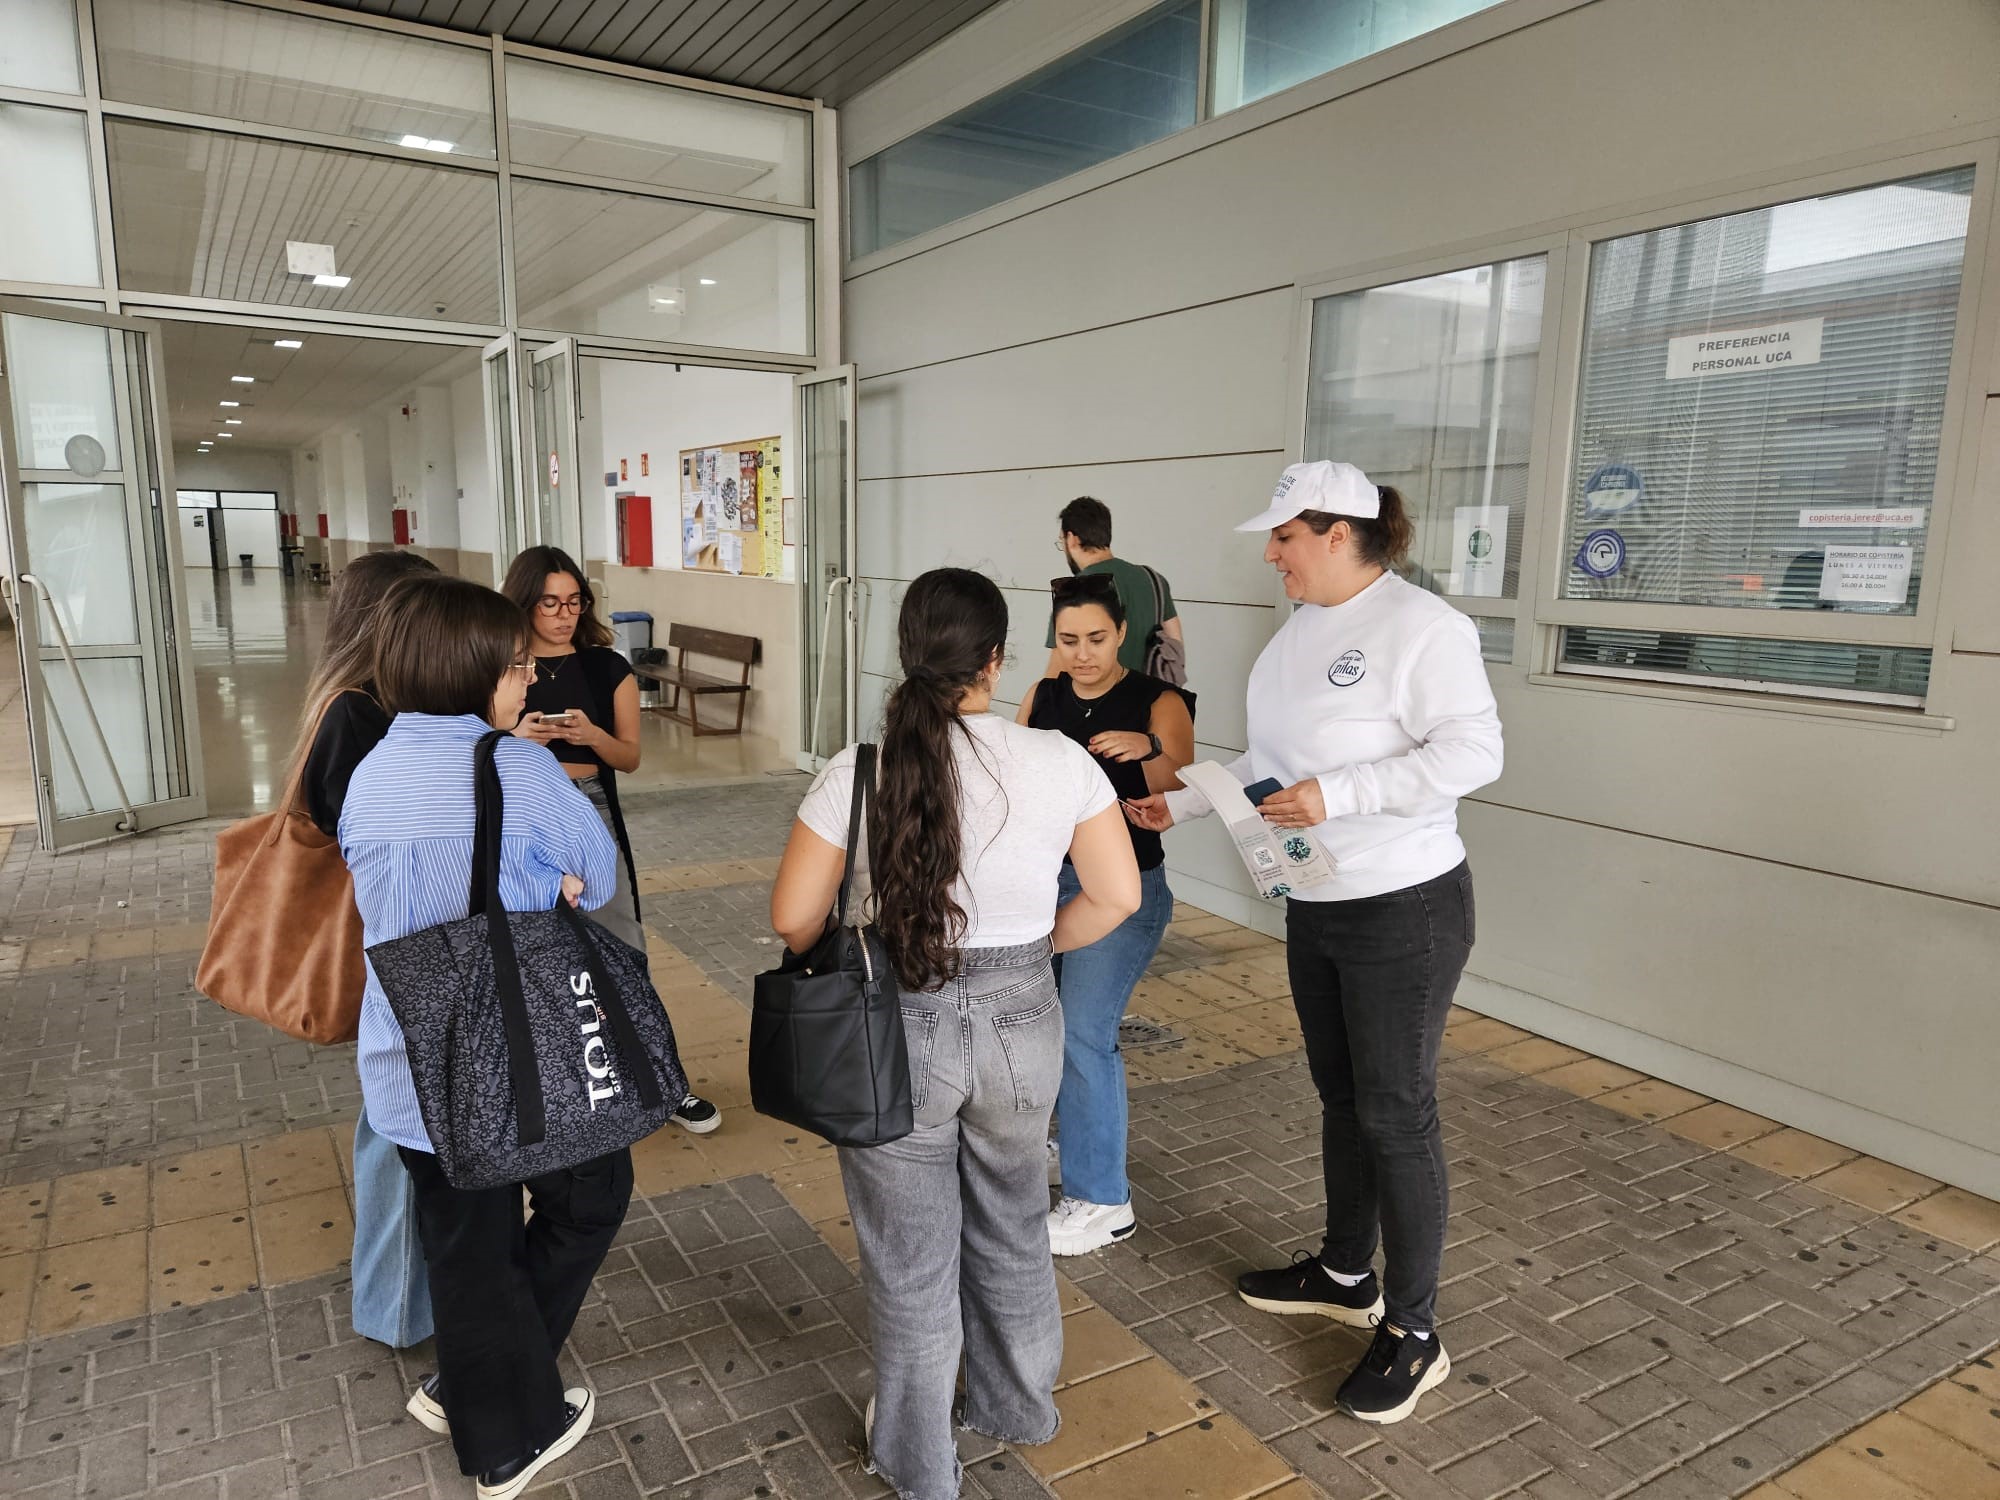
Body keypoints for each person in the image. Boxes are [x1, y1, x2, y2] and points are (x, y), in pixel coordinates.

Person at [1126, 460, 1503, 1426]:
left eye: (1285, 536)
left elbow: (1473, 751)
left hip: (1404, 907)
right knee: (1342, 1096)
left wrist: (1344, 796)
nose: (1271, 553)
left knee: (1397, 1110)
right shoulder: (1296, 633)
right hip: (1318, 897)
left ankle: (1415, 1330)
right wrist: (1182, 804)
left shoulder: (1425, 629)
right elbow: (1271, 764)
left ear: (1339, 533)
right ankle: (1345, 1273)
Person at [770, 568, 1141, 1500]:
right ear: (995, 659)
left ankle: (918, 1458)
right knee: (1014, 1220)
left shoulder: (860, 769)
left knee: (911, 1255)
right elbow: (1119, 897)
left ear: (906, 655)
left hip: (897, 1024)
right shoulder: (1059, 760)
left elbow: (792, 920)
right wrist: (1032, 952)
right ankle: (1019, 1409)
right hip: (1023, 1023)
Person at [341, 573, 625, 1500]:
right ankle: (505, 1440)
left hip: (404, 1057)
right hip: (510, 1056)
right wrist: (551, 880)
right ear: (471, 672)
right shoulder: (513, 766)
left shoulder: (372, 768)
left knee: (468, 1238)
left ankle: (468, 1381)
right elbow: (598, 873)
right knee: (591, 1191)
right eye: (511, 667)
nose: (526, 684)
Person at [500, 546, 720, 1137]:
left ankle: (661, 1081)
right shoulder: (499, 664)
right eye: (550, 603)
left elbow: (630, 757)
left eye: (574, 602)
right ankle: (561, 1090)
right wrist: (522, 742)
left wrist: (592, 735)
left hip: (588, 805)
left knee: (620, 945)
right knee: (528, 953)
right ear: (524, 602)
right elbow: (481, 746)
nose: (563, 614)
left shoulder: (605, 666)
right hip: (522, 815)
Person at [1016, 571, 1194, 1255]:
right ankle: (1066, 1145)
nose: (1082, 653)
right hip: (1046, 882)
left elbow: (1179, 784)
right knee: (1046, 1026)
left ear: (1122, 634)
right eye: (1068, 640)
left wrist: (1147, 750)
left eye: (1096, 638)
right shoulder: (1044, 694)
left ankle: (1102, 1200)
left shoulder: (1158, 700)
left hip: (1125, 889)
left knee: (1085, 1035)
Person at [292, 549, 440, 1350]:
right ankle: (394, 1309)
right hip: (395, 950)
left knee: (395, 1123)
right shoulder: (355, 713)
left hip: (398, 950)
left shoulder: (363, 703)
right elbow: (371, 837)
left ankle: (401, 1295)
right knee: (399, 1131)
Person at [1043, 496, 1183, 680]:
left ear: (1072, 539)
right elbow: (1176, 645)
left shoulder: (1075, 590)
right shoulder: (1154, 579)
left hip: (1099, 704)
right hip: (1150, 702)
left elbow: (1056, 675)